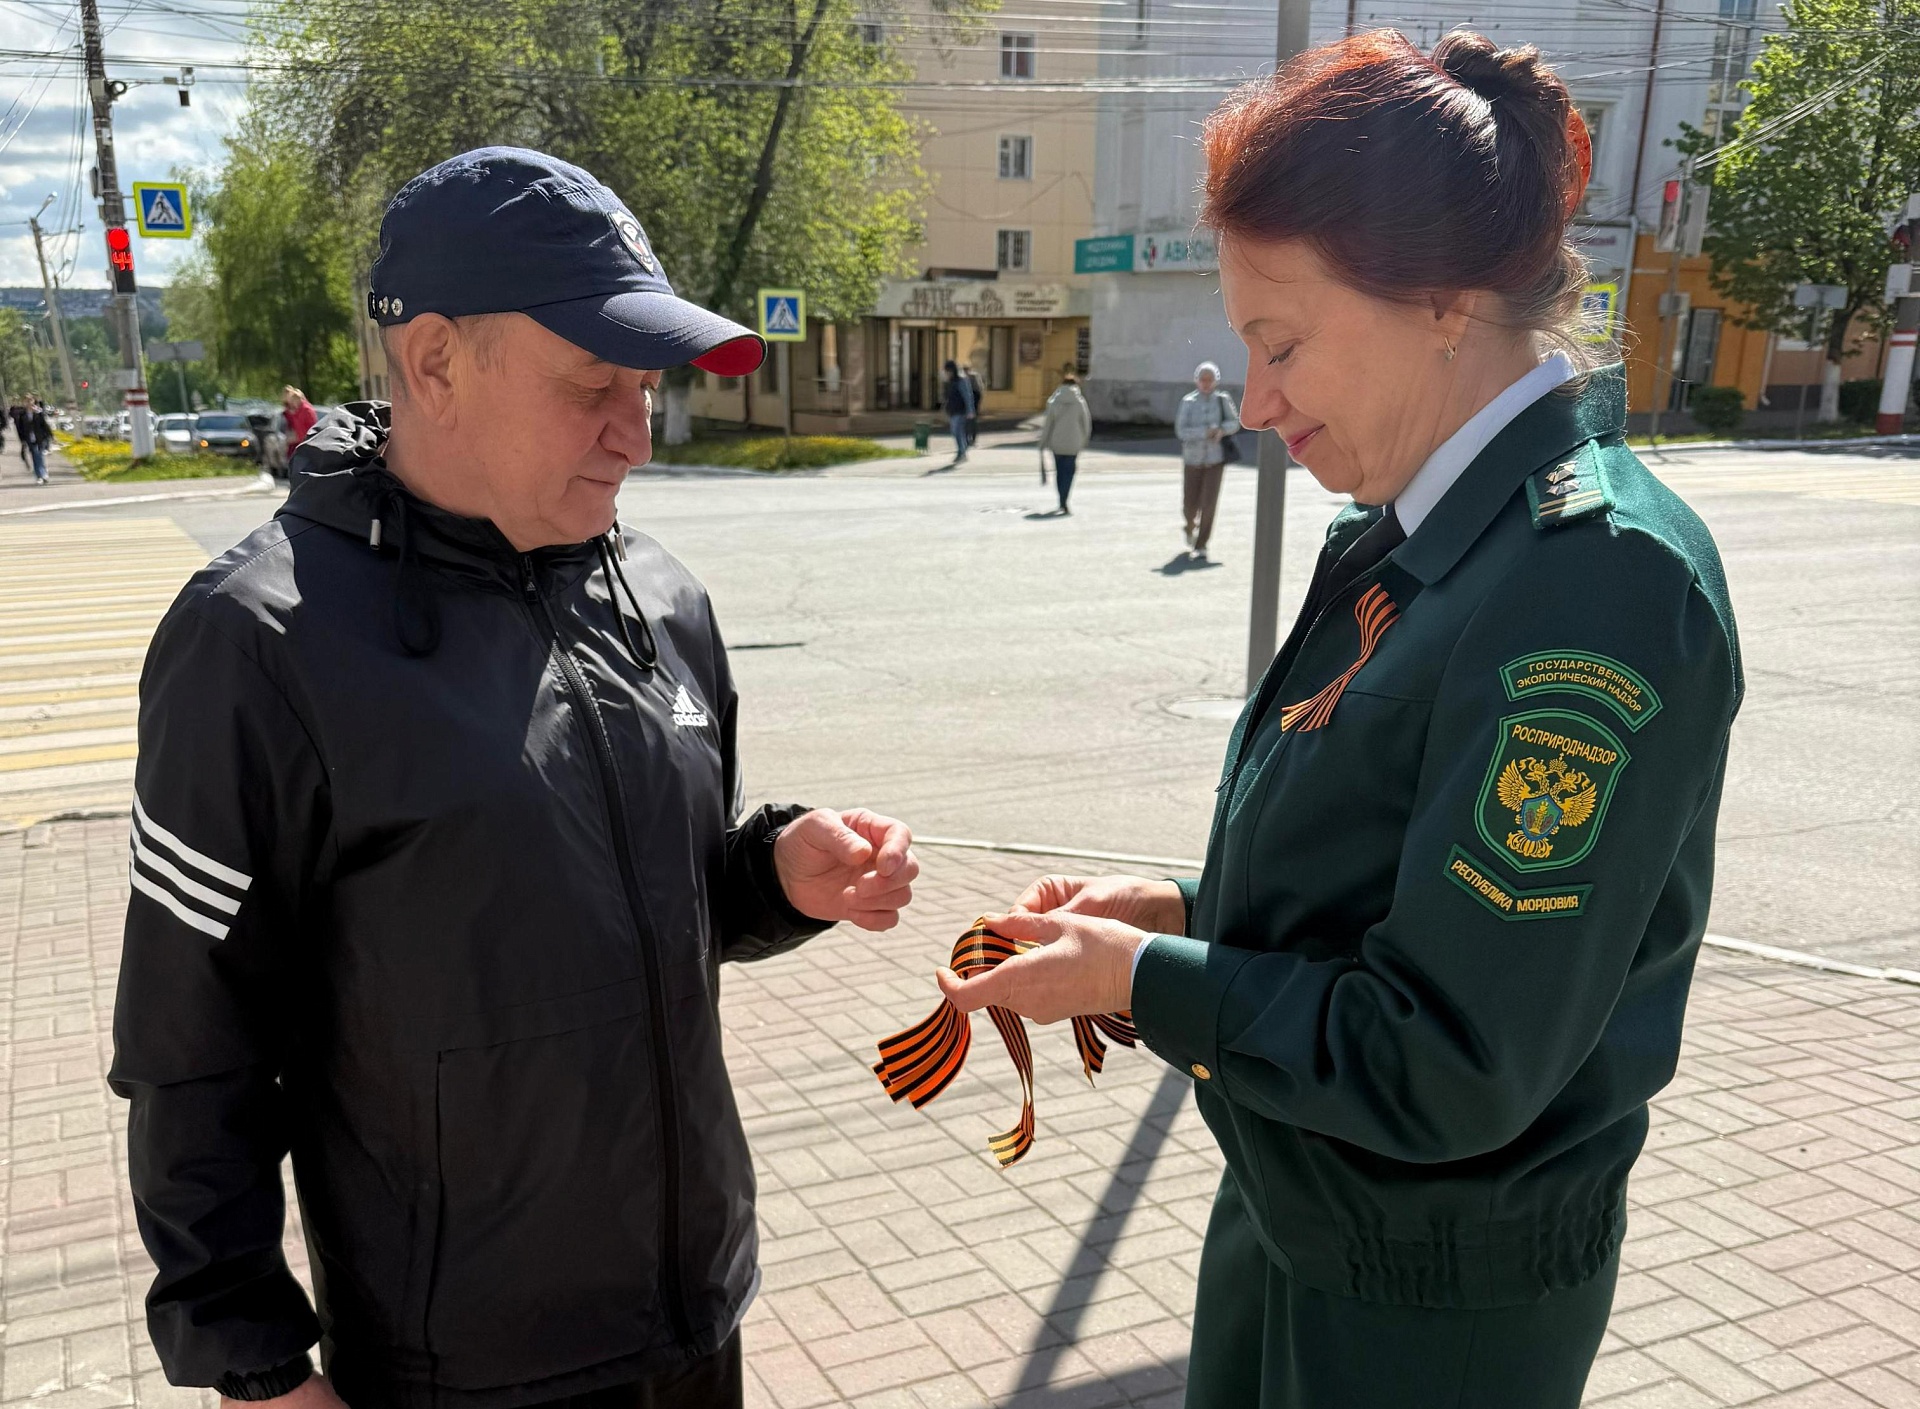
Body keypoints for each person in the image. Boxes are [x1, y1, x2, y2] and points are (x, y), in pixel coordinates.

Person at [939, 31, 1740, 1409]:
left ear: (1442, 300)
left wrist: (1140, 981)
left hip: (1431, 1306)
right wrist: (1182, 911)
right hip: (1309, 1215)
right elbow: (1388, 887)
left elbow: (1449, 1058)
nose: (1255, 404)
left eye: (1283, 345)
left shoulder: (1589, 584)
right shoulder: (1418, 532)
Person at [111, 147, 919, 1409]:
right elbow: (186, 1043)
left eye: (645, 389)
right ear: (434, 360)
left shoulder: (659, 594)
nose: (636, 436)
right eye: (595, 383)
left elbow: (660, 899)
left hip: (696, 1316)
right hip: (469, 1371)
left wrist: (774, 871)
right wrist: (256, 1365)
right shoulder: (260, 640)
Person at [1173, 361, 1239, 555]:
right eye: (1203, 379)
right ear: (1196, 380)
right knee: (1190, 503)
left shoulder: (1222, 399)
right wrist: (1204, 432)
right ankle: (1189, 525)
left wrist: (1221, 430)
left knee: (1209, 503)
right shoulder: (1188, 401)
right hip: (1192, 459)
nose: (1206, 383)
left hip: (1215, 459)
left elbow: (1234, 422)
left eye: (1210, 379)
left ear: (1216, 380)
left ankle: (1202, 544)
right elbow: (1181, 431)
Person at [1037, 373, 1092, 513]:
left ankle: (1061, 499)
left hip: (1057, 442)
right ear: (1075, 385)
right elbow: (1086, 423)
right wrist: (1084, 440)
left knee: (1059, 472)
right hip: (1074, 443)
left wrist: (1043, 442)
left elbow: (1048, 424)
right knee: (1069, 472)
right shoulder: (1080, 402)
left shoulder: (1053, 401)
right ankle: (1065, 499)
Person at [943, 358, 974, 461]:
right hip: (953, 410)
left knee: (957, 431)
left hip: (961, 410)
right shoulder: (951, 382)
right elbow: (949, 396)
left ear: (952, 371)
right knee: (955, 431)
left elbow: (967, 396)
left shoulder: (961, 381)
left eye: (947, 371)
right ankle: (962, 451)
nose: (946, 374)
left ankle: (962, 452)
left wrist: (970, 410)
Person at [25, 395, 53, 483]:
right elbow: (21, 428)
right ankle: (39, 475)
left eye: (31, 400)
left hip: (39, 438)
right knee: (35, 457)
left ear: (33, 401)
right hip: (30, 439)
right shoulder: (23, 415)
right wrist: (23, 440)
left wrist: (51, 436)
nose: (29, 402)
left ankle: (42, 475)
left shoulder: (38, 413)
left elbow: (44, 425)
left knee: (39, 456)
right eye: (27, 401)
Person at [283, 385, 317, 449]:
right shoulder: (297, 411)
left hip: (308, 442)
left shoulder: (307, 410)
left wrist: (299, 437)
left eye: (293, 401)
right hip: (300, 442)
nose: (293, 404)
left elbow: (311, 427)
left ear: (297, 399)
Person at [964, 364, 984, 447]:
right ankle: (970, 439)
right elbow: (980, 390)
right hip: (970, 401)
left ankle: (971, 439)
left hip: (972, 400)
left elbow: (978, 390)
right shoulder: (970, 377)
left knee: (971, 421)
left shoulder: (972, 377)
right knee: (970, 421)